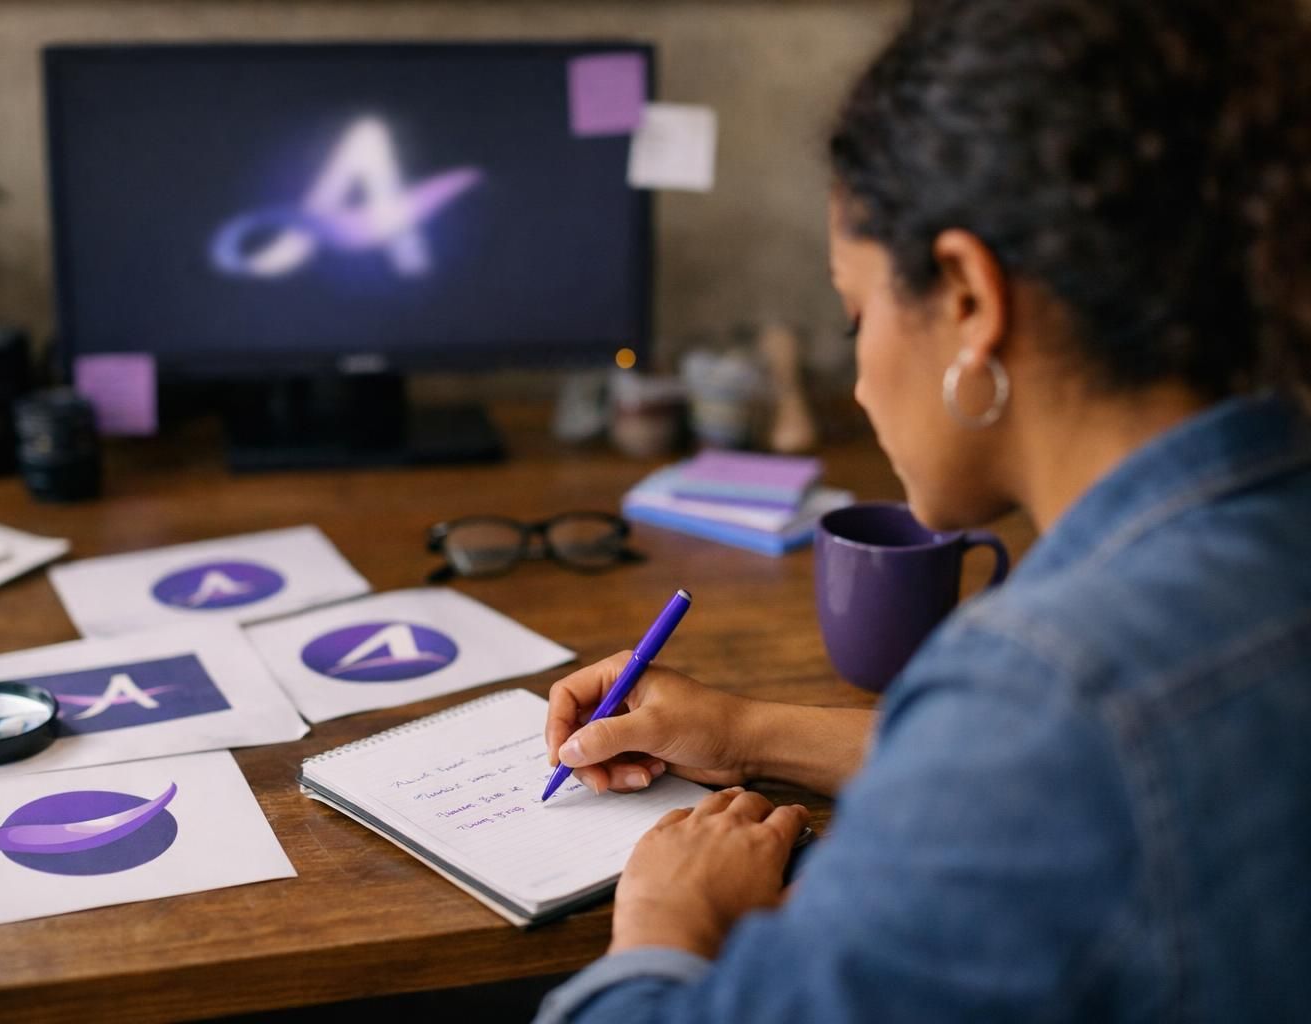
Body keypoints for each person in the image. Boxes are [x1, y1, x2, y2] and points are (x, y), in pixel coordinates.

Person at [536, 0, 1311, 1020]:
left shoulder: (1047, 688)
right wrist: (747, 731)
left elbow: (1047, 751)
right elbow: (1084, 776)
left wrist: (664, 920)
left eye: (854, 315)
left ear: (967, 298)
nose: (858, 383)